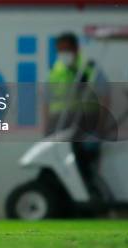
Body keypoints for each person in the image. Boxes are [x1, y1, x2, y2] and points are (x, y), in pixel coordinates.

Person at [45, 32, 109, 200]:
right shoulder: (55, 69)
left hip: (85, 125)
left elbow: (104, 96)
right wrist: (46, 128)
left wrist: (101, 125)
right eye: (59, 50)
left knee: (84, 166)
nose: (63, 54)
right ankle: (62, 202)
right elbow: (46, 100)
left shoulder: (89, 68)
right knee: (58, 168)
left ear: (75, 49)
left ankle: (86, 203)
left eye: (66, 49)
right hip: (59, 127)